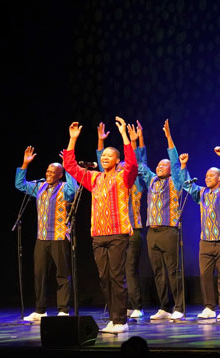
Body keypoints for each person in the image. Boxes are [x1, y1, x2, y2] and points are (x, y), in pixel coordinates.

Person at [63, 118, 137, 333]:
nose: (104, 158)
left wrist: (124, 135)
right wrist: (72, 139)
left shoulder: (124, 177)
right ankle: (113, 319)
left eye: (109, 156)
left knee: (116, 276)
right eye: (103, 156)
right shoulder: (94, 178)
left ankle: (120, 321)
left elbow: (132, 163)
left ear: (117, 159)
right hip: (98, 235)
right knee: (104, 279)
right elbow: (70, 166)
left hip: (117, 234)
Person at [15, 146, 76, 322]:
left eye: (53, 171)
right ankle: (40, 310)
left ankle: (63, 309)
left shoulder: (65, 188)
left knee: (62, 275)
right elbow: (20, 184)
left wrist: (69, 166)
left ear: (60, 174)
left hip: (59, 237)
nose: (49, 174)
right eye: (48, 171)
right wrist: (25, 164)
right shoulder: (39, 187)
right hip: (41, 239)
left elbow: (74, 189)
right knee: (39, 274)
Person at [96, 121, 146, 319]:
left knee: (128, 270)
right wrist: (101, 142)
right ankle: (119, 308)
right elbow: (102, 163)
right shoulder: (110, 182)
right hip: (113, 231)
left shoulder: (135, 183)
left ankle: (136, 306)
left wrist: (136, 141)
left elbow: (137, 162)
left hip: (131, 229)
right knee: (113, 272)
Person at [137, 120, 187, 321]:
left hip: (169, 230)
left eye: (163, 165)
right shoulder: (151, 180)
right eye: (158, 165)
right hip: (152, 231)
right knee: (158, 271)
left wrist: (168, 137)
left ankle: (179, 308)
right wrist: (138, 139)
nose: (159, 167)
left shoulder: (175, 182)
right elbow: (141, 164)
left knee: (174, 270)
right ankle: (164, 307)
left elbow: (175, 163)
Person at [180, 146, 220, 320]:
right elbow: (186, 185)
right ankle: (209, 307)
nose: (207, 178)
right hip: (205, 240)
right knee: (205, 275)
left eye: (211, 175)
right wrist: (183, 166)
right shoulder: (202, 192)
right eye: (206, 176)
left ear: (219, 178)